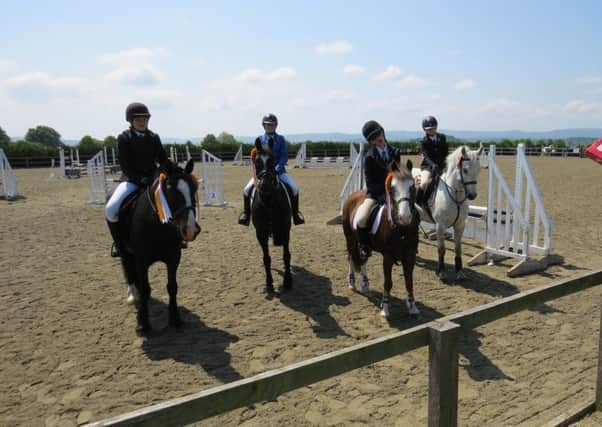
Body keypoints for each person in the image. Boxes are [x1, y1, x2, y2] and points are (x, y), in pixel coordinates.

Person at [105, 102, 168, 257]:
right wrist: (139, 179)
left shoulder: (154, 137)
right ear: (131, 120)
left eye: (145, 119)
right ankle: (119, 244)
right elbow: (125, 164)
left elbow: (163, 159)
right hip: (131, 180)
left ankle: (176, 238)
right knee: (111, 209)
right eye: (138, 119)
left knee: (174, 201)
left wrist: (172, 170)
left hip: (153, 180)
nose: (142, 122)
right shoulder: (124, 138)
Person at [238, 113, 305, 226]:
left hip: (279, 171)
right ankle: (246, 215)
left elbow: (284, 156)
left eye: (272, 125)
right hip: (262, 173)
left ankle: (295, 215)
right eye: (268, 125)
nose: (270, 127)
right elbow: (257, 157)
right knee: (246, 189)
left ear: (276, 126)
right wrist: (259, 169)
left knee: (294, 188)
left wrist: (276, 169)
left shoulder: (281, 139)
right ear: (264, 126)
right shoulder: (259, 140)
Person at [355, 120, 402, 259]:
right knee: (362, 218)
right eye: (374, 138)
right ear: (371, 142)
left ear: (383, 132)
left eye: (379, 134)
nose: (378, 138)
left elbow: (399, 175)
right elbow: (369, 182)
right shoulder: (369, 157)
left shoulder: (396, 152)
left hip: (395, 193)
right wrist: (383, 194)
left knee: (411, 212)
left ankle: (411, 242)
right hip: (375, 194)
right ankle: (364, 246)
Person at [417, 115, 448, 204]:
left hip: (442, 165)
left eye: (433, 128)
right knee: (424, 183)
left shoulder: (442, 137)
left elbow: (445, 152)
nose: (431, 130)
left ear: (436, 127)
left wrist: (446, 163)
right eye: (429, 129)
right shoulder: (424, 141)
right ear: (425, 130)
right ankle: (419, 202)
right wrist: (432, 165)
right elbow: (426, 156)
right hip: (428, 166)